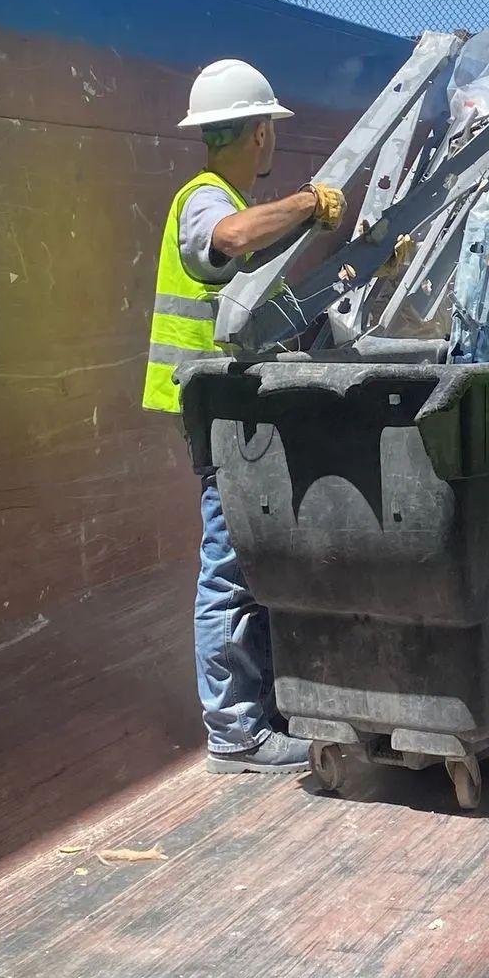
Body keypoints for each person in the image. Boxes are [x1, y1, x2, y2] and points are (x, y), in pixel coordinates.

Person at [143, 58, 343, 772]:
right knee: (230, 563)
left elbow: (250, 288)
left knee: (248, 556)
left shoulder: (221, 198)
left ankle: (260, 710)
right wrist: (308, 203)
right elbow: (228, 239)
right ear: (260, 132)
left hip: (229, 411)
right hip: (217, 412)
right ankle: (234, 731)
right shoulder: (206, 201)